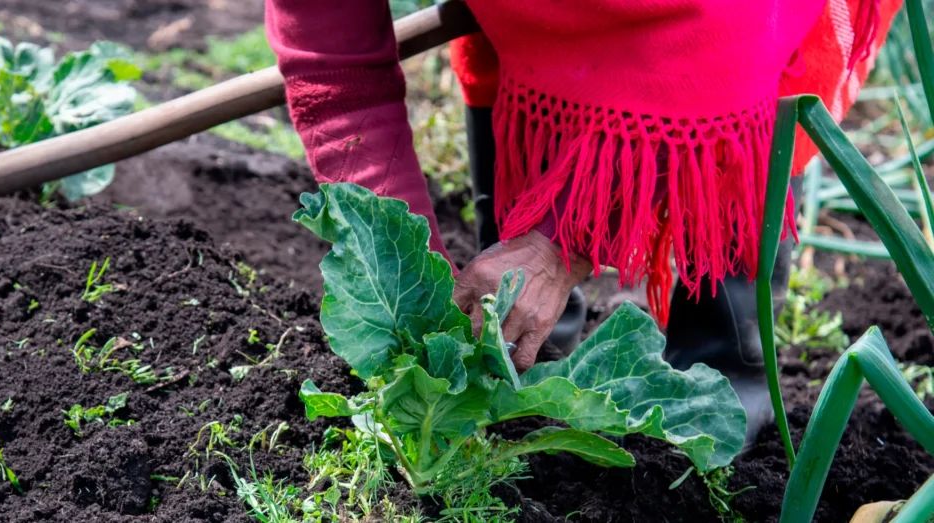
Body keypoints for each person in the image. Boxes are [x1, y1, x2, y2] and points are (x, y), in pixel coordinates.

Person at [265, 0, 902, 443]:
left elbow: (718, 38)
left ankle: (726, 372)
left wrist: (559, 243)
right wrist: (404, 263)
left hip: (726, 23)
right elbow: (335, 67)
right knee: (540, 57)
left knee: (733, 112)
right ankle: (529, 355)